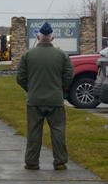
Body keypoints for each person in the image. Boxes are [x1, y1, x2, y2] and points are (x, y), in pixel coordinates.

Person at [15, 22, 74, 171]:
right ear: (52, 38)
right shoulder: (62, 55)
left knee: (34, 132)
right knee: (58, 131)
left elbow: (20, 78)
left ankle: (32, 162)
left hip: (34, 100)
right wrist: (59, 88)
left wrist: (31, 89)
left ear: (38, 37)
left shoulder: (27, 55)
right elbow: (69, 76)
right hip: (55, 99)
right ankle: (60, 162)